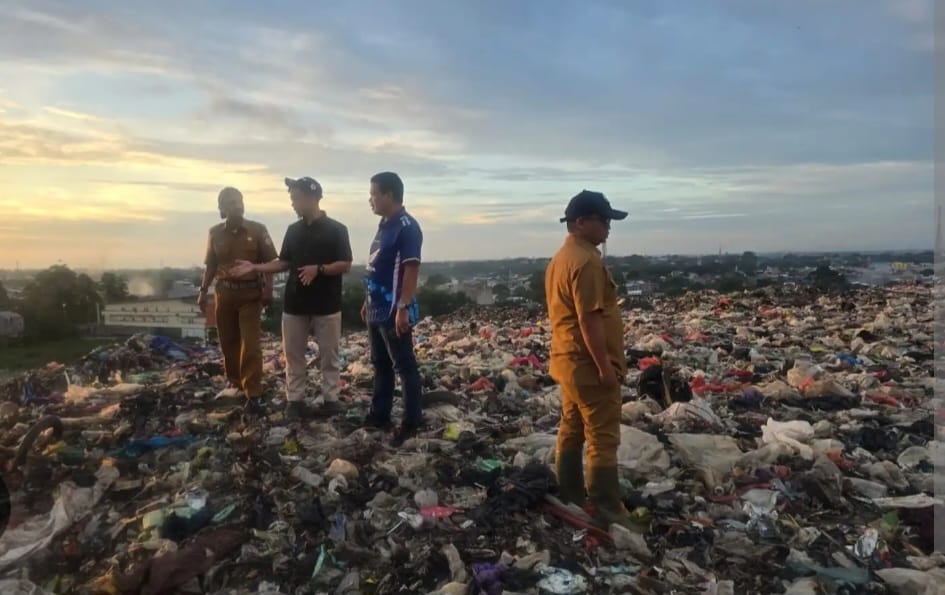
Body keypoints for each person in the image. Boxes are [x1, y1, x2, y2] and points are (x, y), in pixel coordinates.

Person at [544, 189, 633, 529]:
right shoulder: (586, 262)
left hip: (567, 362)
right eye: (604, 220)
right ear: (580, 222)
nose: (609, 227)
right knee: (602, 436)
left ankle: (570, 495)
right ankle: (608, 510)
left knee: (572, 427)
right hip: (588, 366)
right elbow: (589, 318)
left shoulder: (561, 259)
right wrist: (604, 367)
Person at [231, 177, 353, 420]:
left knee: (329, 356)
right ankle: (294, 401)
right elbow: (284, 261)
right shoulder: (293, 230)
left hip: (326, 304)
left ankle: (331, 399)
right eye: (292, 199)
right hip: (295, 303)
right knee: (293, 356)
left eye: (296, 198)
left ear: (311, 197)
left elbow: (345, 264)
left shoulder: (337, 229)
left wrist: (318, 269)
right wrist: (256, 268)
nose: (293, 204)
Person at [198, 187, 278, 415]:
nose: (238, 205)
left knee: (251, 344)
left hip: (250, 294)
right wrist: (203, 291)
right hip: (224, 294)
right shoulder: (215, 233)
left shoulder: (257, 229)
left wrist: (268, 289)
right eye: (231, 202)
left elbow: (270, 262)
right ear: (222, 208)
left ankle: (253, 393)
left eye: (240, 201)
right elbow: (211, 266)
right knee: (228, 342)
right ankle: (235, 383)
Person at [362, 171, 424, 444]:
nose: (370, 199)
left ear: (388, 195)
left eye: (374, 193)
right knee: (380, 364)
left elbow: (411, 269)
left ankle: (412, 421)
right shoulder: (385, 225)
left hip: (393, 309)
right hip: (376, 307)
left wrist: (403, 307)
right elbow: (378, 267)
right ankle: (380, 415)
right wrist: (366, 300)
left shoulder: (407, 227)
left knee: (404, 365)